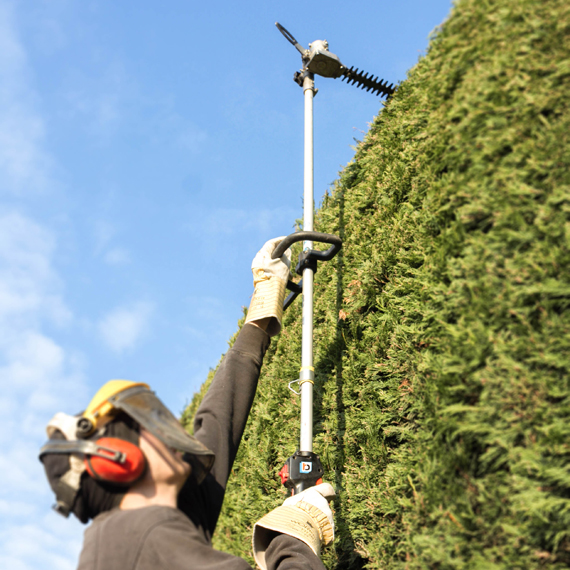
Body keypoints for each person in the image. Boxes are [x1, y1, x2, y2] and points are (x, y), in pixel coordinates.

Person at [39, 237, 335, 570]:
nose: (168, 432)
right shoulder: (140, 535)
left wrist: (262, 309)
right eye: (146, 427)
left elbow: (217, 424)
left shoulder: (161, 521)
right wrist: (292, 536)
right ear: (118, 459)